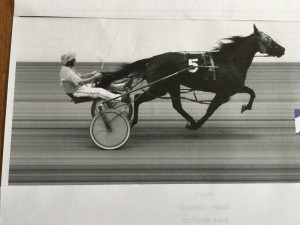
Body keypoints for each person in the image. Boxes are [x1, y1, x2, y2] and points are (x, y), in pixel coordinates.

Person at [60, 52, 131, 102]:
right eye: (73, 60)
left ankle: (123, 87)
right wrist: (94, 77)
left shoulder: (68, 68)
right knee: (99, 91)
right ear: (69, 62)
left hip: (80, 87)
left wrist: (91, 74)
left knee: (99, 85)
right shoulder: (68, 72)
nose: (75, 61)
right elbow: (81, 82)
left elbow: (81, 76)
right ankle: (121, 99)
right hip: (77, 91)